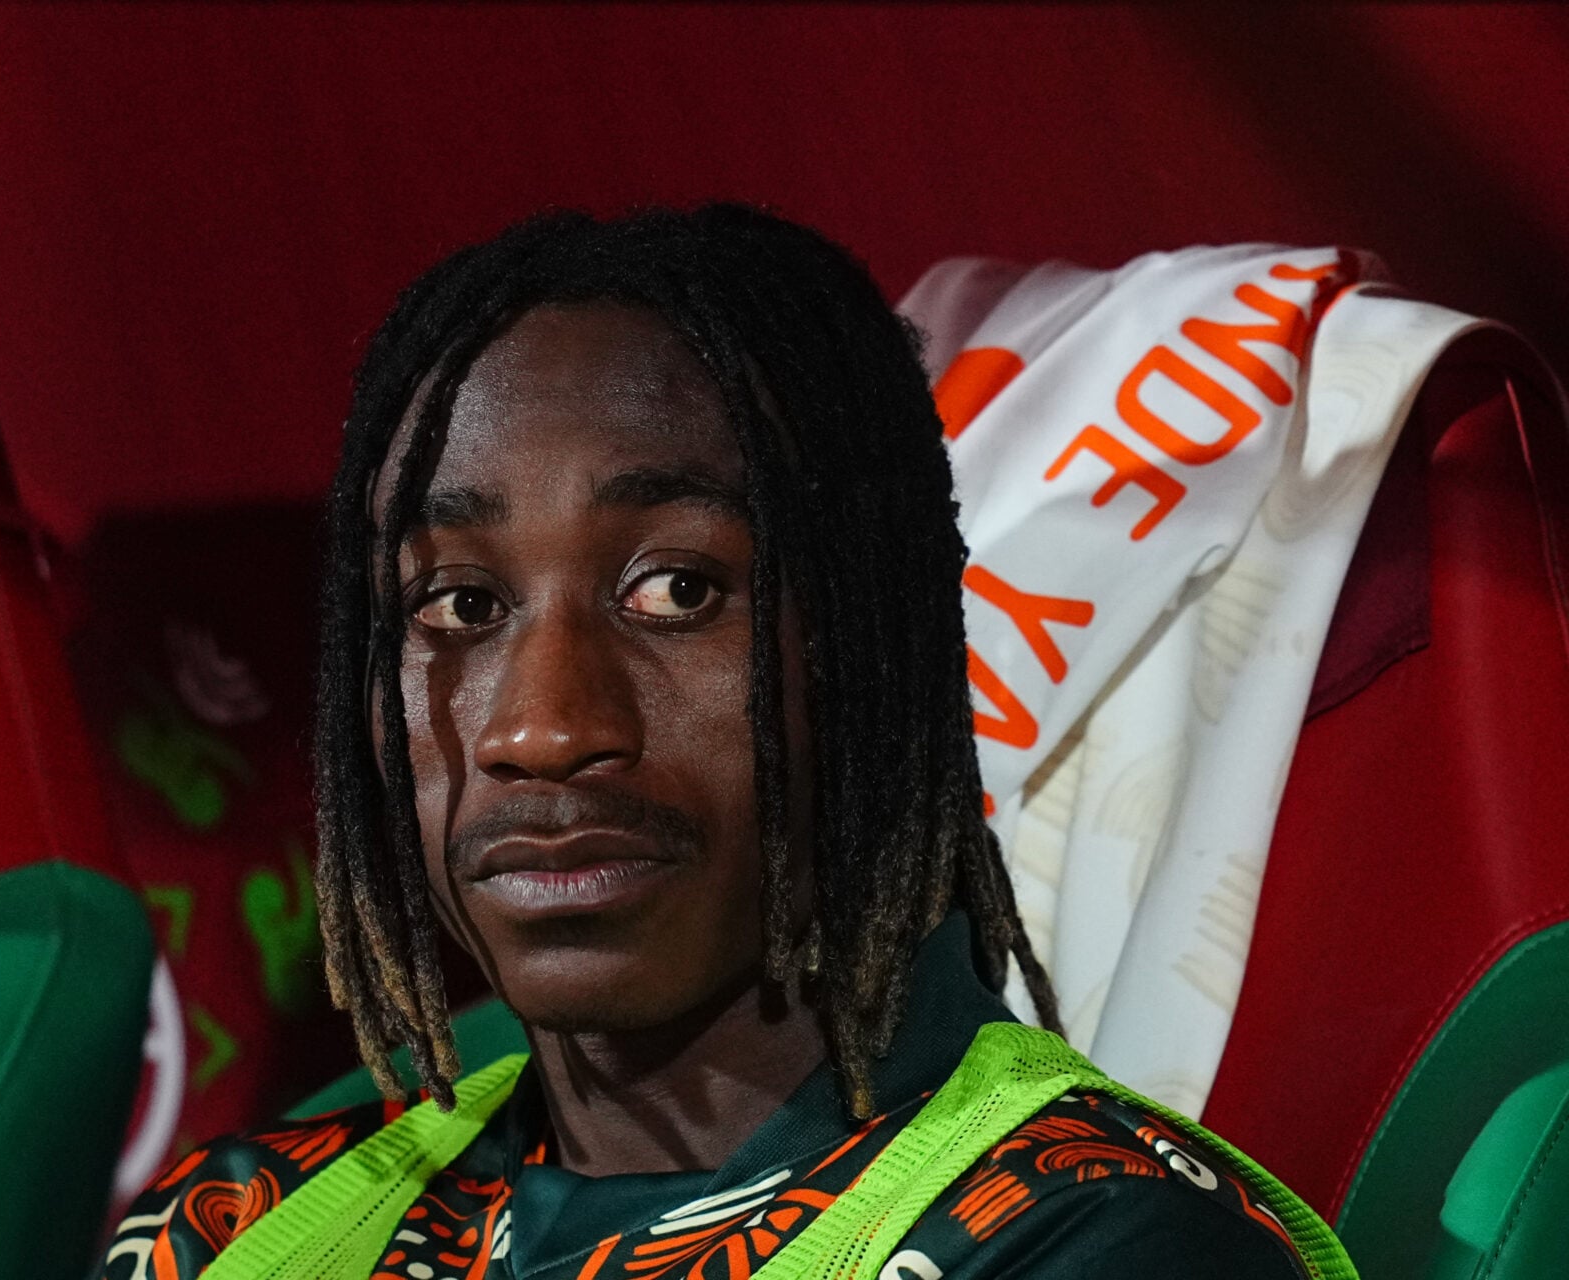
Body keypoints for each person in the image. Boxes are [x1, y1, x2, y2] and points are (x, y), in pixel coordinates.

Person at [96, 206, 1347, 1280]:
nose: (542, 728)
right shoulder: (236, 1228)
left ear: (872, 643)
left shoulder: (1096, 1239)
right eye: (459, 604)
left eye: (677, 591)